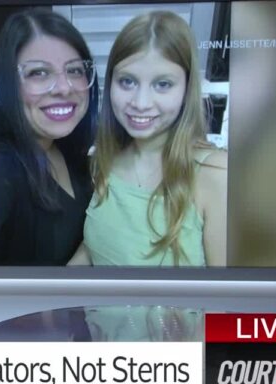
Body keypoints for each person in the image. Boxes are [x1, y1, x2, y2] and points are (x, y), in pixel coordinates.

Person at [70, 11, 227, 267]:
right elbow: (92, 250)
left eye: (163, 84)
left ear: (187, 89)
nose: (140, 103)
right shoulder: (102, 161)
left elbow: (232, 300)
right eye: (127, 81)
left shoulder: (216, 174)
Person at [0, 8, 99, 265]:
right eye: (39, 73)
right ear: (7, 83)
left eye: (74, 70)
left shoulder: (67, 146)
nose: (64, 88)